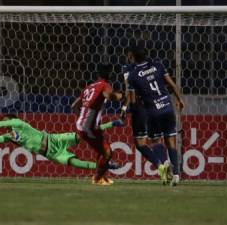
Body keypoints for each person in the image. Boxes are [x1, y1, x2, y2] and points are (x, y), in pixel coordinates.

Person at [0, 114, 124, 183]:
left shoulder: (19, 123)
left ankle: (112, 124)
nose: (6, 124)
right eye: (6, 122)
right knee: (78, 163)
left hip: (54, 139)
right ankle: (106, 165)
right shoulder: (11, 137)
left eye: (7, 121)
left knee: (85, 134)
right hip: (51, 154)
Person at [126, 46, 185, 186]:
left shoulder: (133, 75)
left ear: (132, 57)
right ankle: (176, 175)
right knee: (171, 141)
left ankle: (164, 163)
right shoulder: (158, 66)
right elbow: (171, 83)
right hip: (167, 107)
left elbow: (133, 101)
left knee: (155, 142)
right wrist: (180, 99)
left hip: (153, 112)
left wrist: (134, 113)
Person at [120, 50, 169, 184]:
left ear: (130, 56)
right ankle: (165, 161)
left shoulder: (128, 69)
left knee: (140, 144)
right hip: (155, 106)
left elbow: (129, 91)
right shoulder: (153, 66)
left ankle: (159, 165)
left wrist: (124, 107)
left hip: (140, 108)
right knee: (157, 140)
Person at [71, 64, 123, 186]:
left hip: (86, 126)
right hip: (88, 128)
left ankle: (102, 177)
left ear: (98, 75)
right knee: (108, 153)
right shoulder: (104, 85)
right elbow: (110, 96)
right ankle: (97, 178)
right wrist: (121, 95)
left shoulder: (89, 87)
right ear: (110, 75)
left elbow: (74, 106)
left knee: (101, 152)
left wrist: (82, 119)